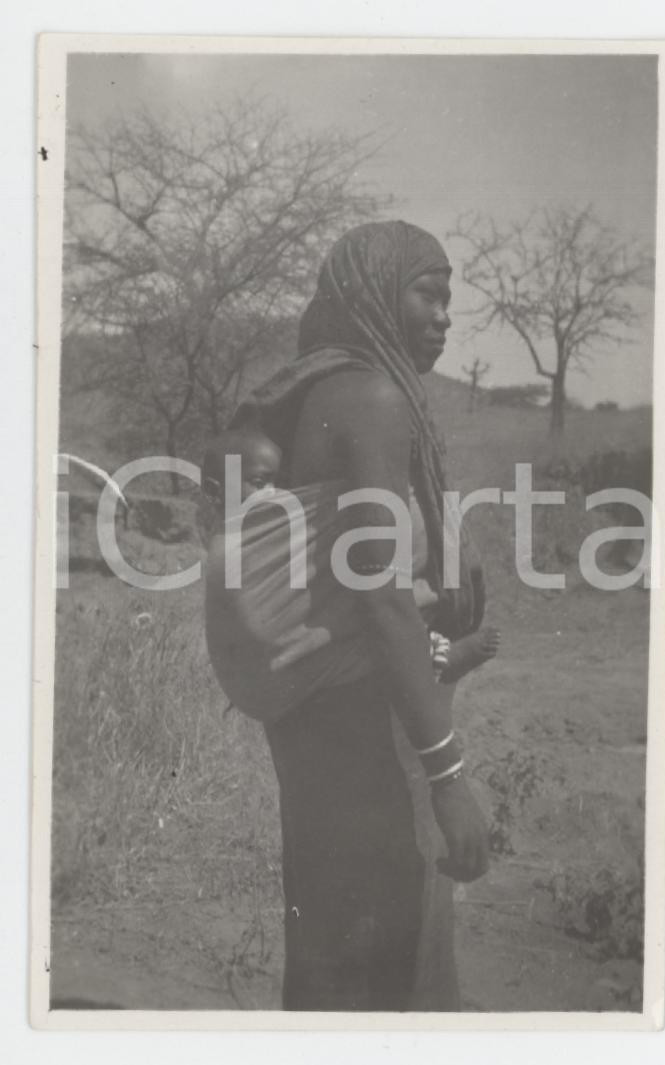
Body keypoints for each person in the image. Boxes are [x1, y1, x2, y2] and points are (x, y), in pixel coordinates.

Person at [213, 220, 498, 1011]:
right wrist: (447, 776)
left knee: (334, 934)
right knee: (395, 944)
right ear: (374, 293)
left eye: (449, 299)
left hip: (321, 712)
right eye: (427, 294)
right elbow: (382, 595)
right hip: (366, 719)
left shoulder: (315, 391)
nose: (444, 316)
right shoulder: (371, 397)